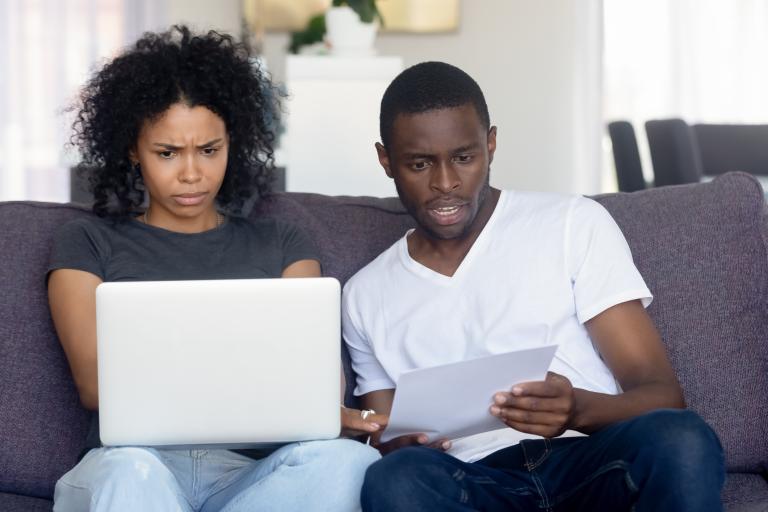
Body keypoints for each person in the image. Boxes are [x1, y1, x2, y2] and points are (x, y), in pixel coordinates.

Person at [342, 61, 725, 511]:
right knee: (395, 478)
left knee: (681, 437)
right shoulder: (365, 295)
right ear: (386, 160)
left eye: (464, 158)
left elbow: (663, 395)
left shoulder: (571, 223)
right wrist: (397, 444)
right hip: (473, 482)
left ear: (491, 144)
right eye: (419, 163)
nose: (445, 184)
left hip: (588, 461)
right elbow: (388, 436)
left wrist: (577, 409)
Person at [48, 26, 381, 512]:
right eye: (167, 153)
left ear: (233, 142)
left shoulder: (284, 243)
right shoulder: (86, 242)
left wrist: (336, 415)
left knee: (350, 465)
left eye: (209, 150)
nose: (191, 173)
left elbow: (313, 389)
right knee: (132, 473)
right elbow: (97, 387)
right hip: (131, 465)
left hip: (248, 479)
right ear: (131, 150)